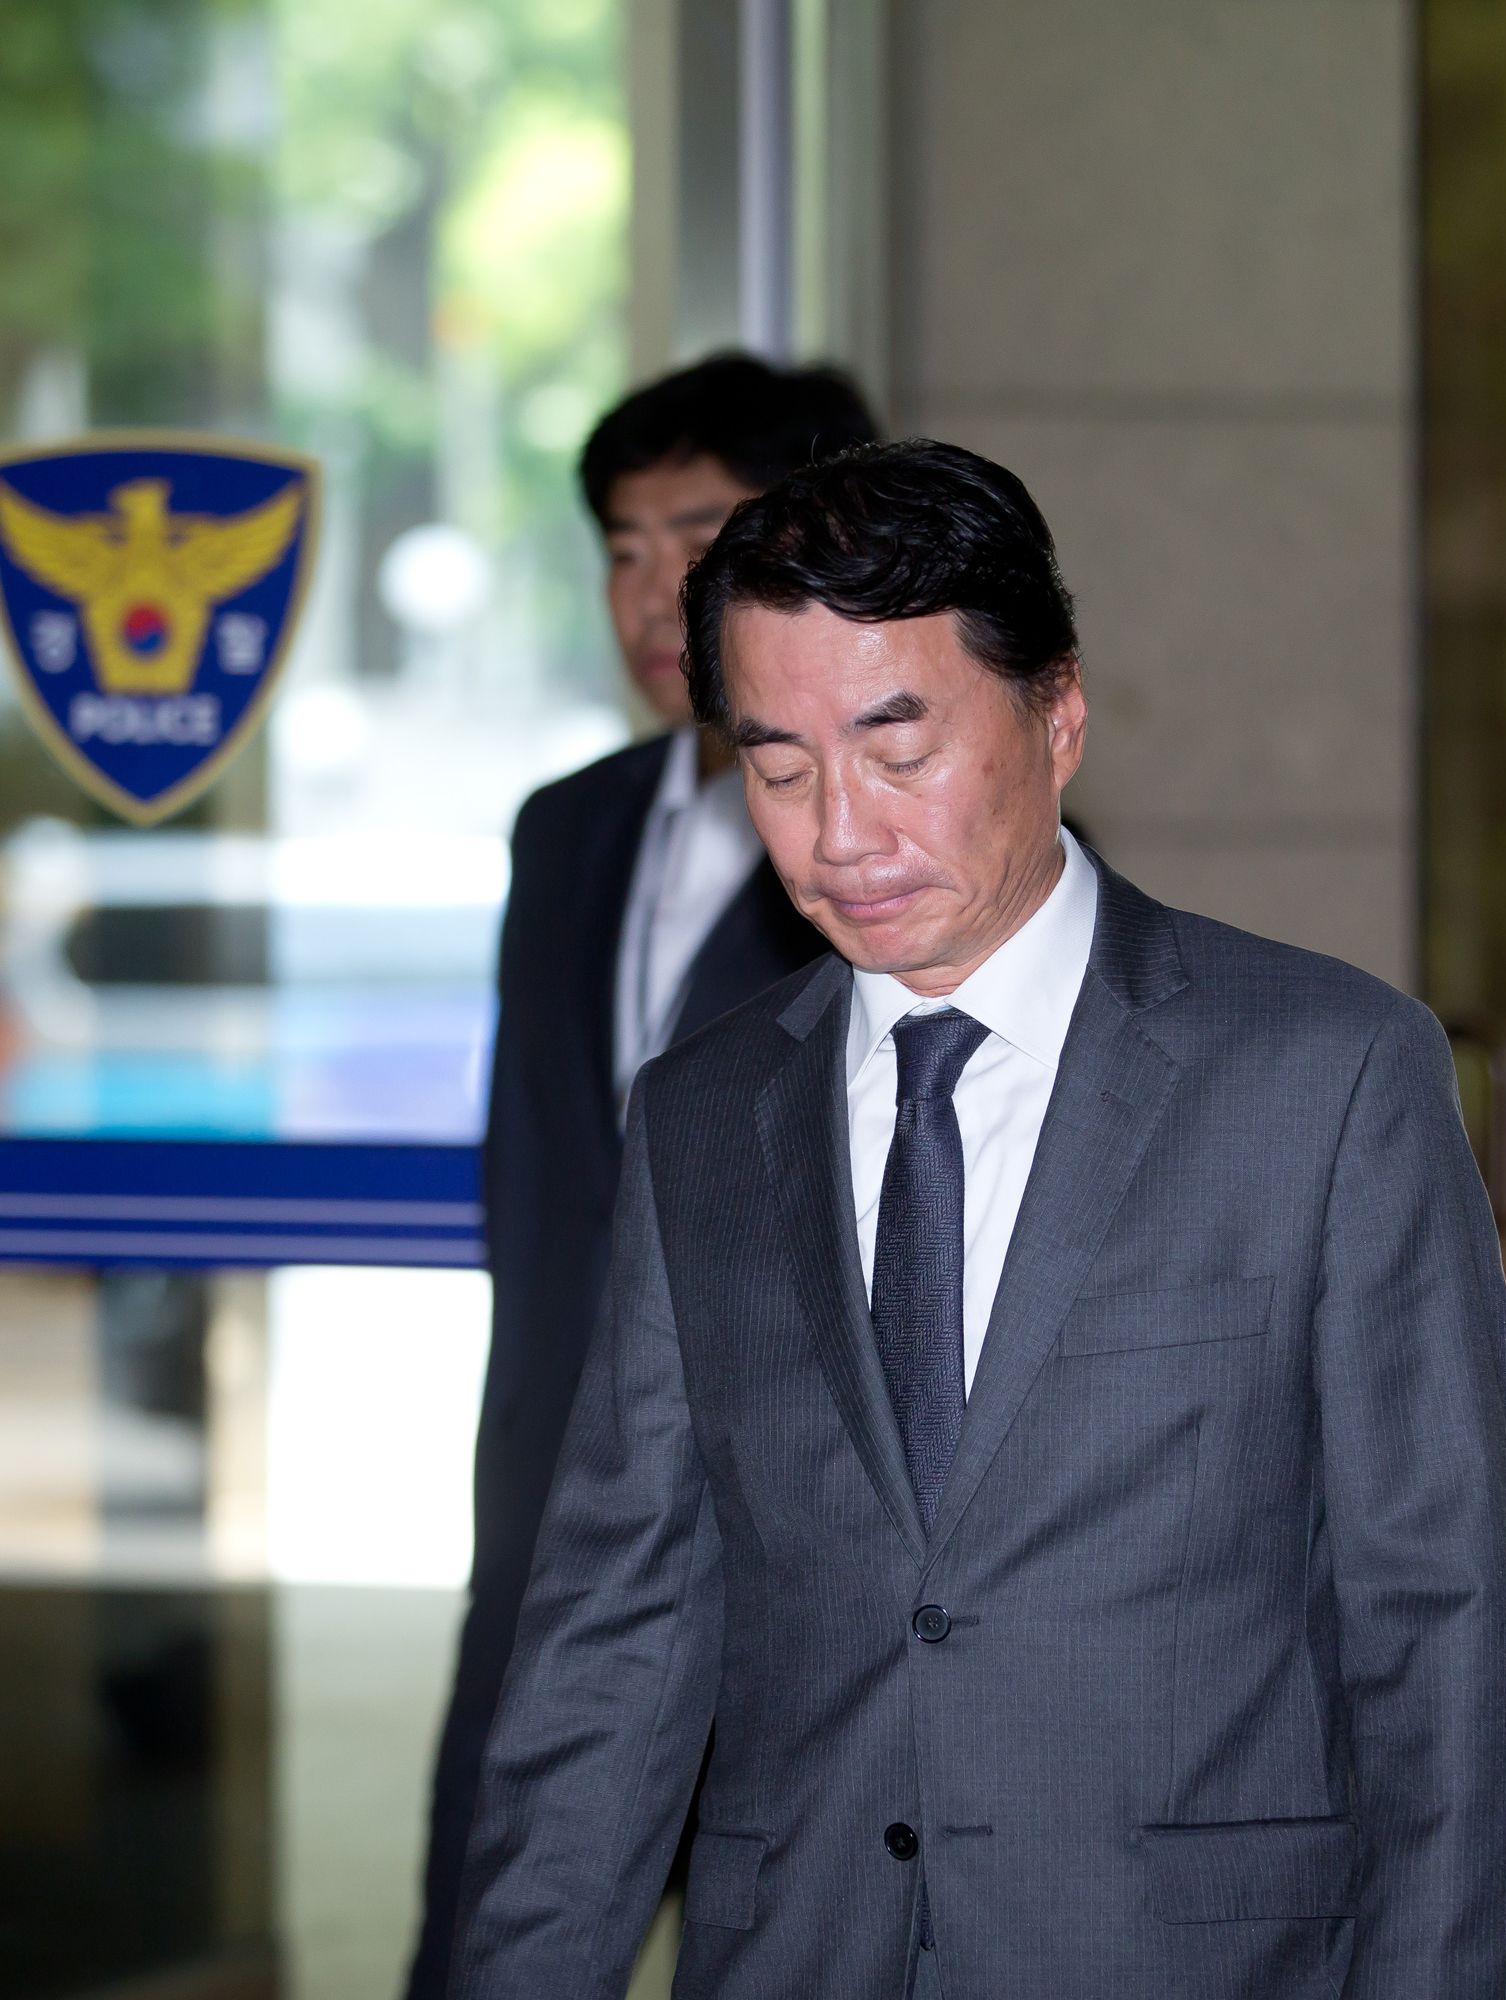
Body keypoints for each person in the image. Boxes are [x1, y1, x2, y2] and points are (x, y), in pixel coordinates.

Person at [448, 440, 1506, 1999]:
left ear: (1058, 713)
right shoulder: (702, 1112)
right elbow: (617, 1630)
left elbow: (1437, 1625)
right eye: (780, 769)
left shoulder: (1327, 1073)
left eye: (898, 752)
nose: (840, 835)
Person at [405, 355, 878, 2000]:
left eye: (702, 536)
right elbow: (537, 1194)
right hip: (560, 1528)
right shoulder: (567, 829)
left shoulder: (909, 847)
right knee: (491, 1940)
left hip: (816, 1565)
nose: (653, 590)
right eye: (622, 546)